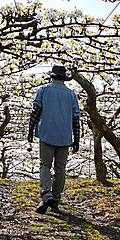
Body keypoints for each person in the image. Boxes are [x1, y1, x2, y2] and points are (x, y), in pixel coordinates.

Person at [27, 65, 81, 214]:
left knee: (45, 164)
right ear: (64, 77)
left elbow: (36, 111)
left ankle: (46, 195)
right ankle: (55, 201)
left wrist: (31, 129)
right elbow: (76, 118)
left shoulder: (43, 90)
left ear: (51, 76)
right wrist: (77, 138)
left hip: (46, 133)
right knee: (60, 169)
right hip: (65, 136)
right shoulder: (71, 94)